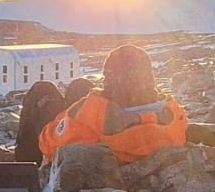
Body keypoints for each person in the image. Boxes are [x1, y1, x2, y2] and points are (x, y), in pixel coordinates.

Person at [18, 44, 188, 166]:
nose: (105, 82)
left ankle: (23, 165)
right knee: (81, 85)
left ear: (112, 81)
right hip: (131, 135)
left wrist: (92, 102)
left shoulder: (93, 113)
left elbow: (50, 144)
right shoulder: (172, 116)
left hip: (67, 136)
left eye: (107, 77)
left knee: (42, 89)